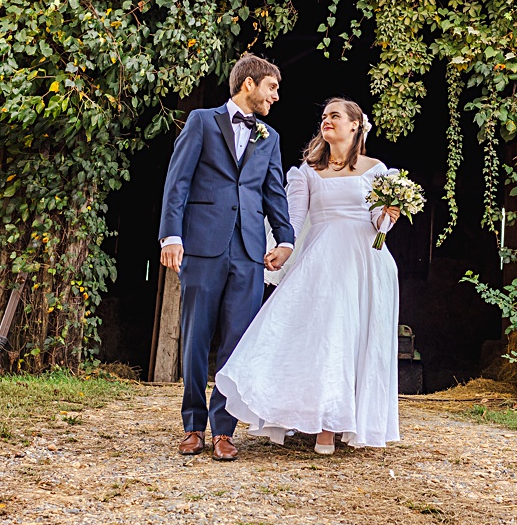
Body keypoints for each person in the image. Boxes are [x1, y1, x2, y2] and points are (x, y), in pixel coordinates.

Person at [214, 97, 402, 454]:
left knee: (352, 340)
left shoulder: (377, 170)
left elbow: (379, 224)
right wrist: (284, 250)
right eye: (324, 117)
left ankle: (338, 424)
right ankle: (319, 422)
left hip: (365, 262)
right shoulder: (307, 172)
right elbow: (294, 220)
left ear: (354, 125)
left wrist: (390, 214)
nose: (326, 121)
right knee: (323, 336)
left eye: (335, 116)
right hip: (322, 261)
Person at [158, 54, 295, 461]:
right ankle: (193, 426)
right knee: (197, 336)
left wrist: (284, 240)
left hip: (250, 250)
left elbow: (274, 193)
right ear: (249, 84)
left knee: (237, 342)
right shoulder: (202, 121)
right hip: (202, 245)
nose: (275, 96)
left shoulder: (269, 137)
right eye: (271, 87)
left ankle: (223, 430)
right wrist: (171, 235)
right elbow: (177, 181)